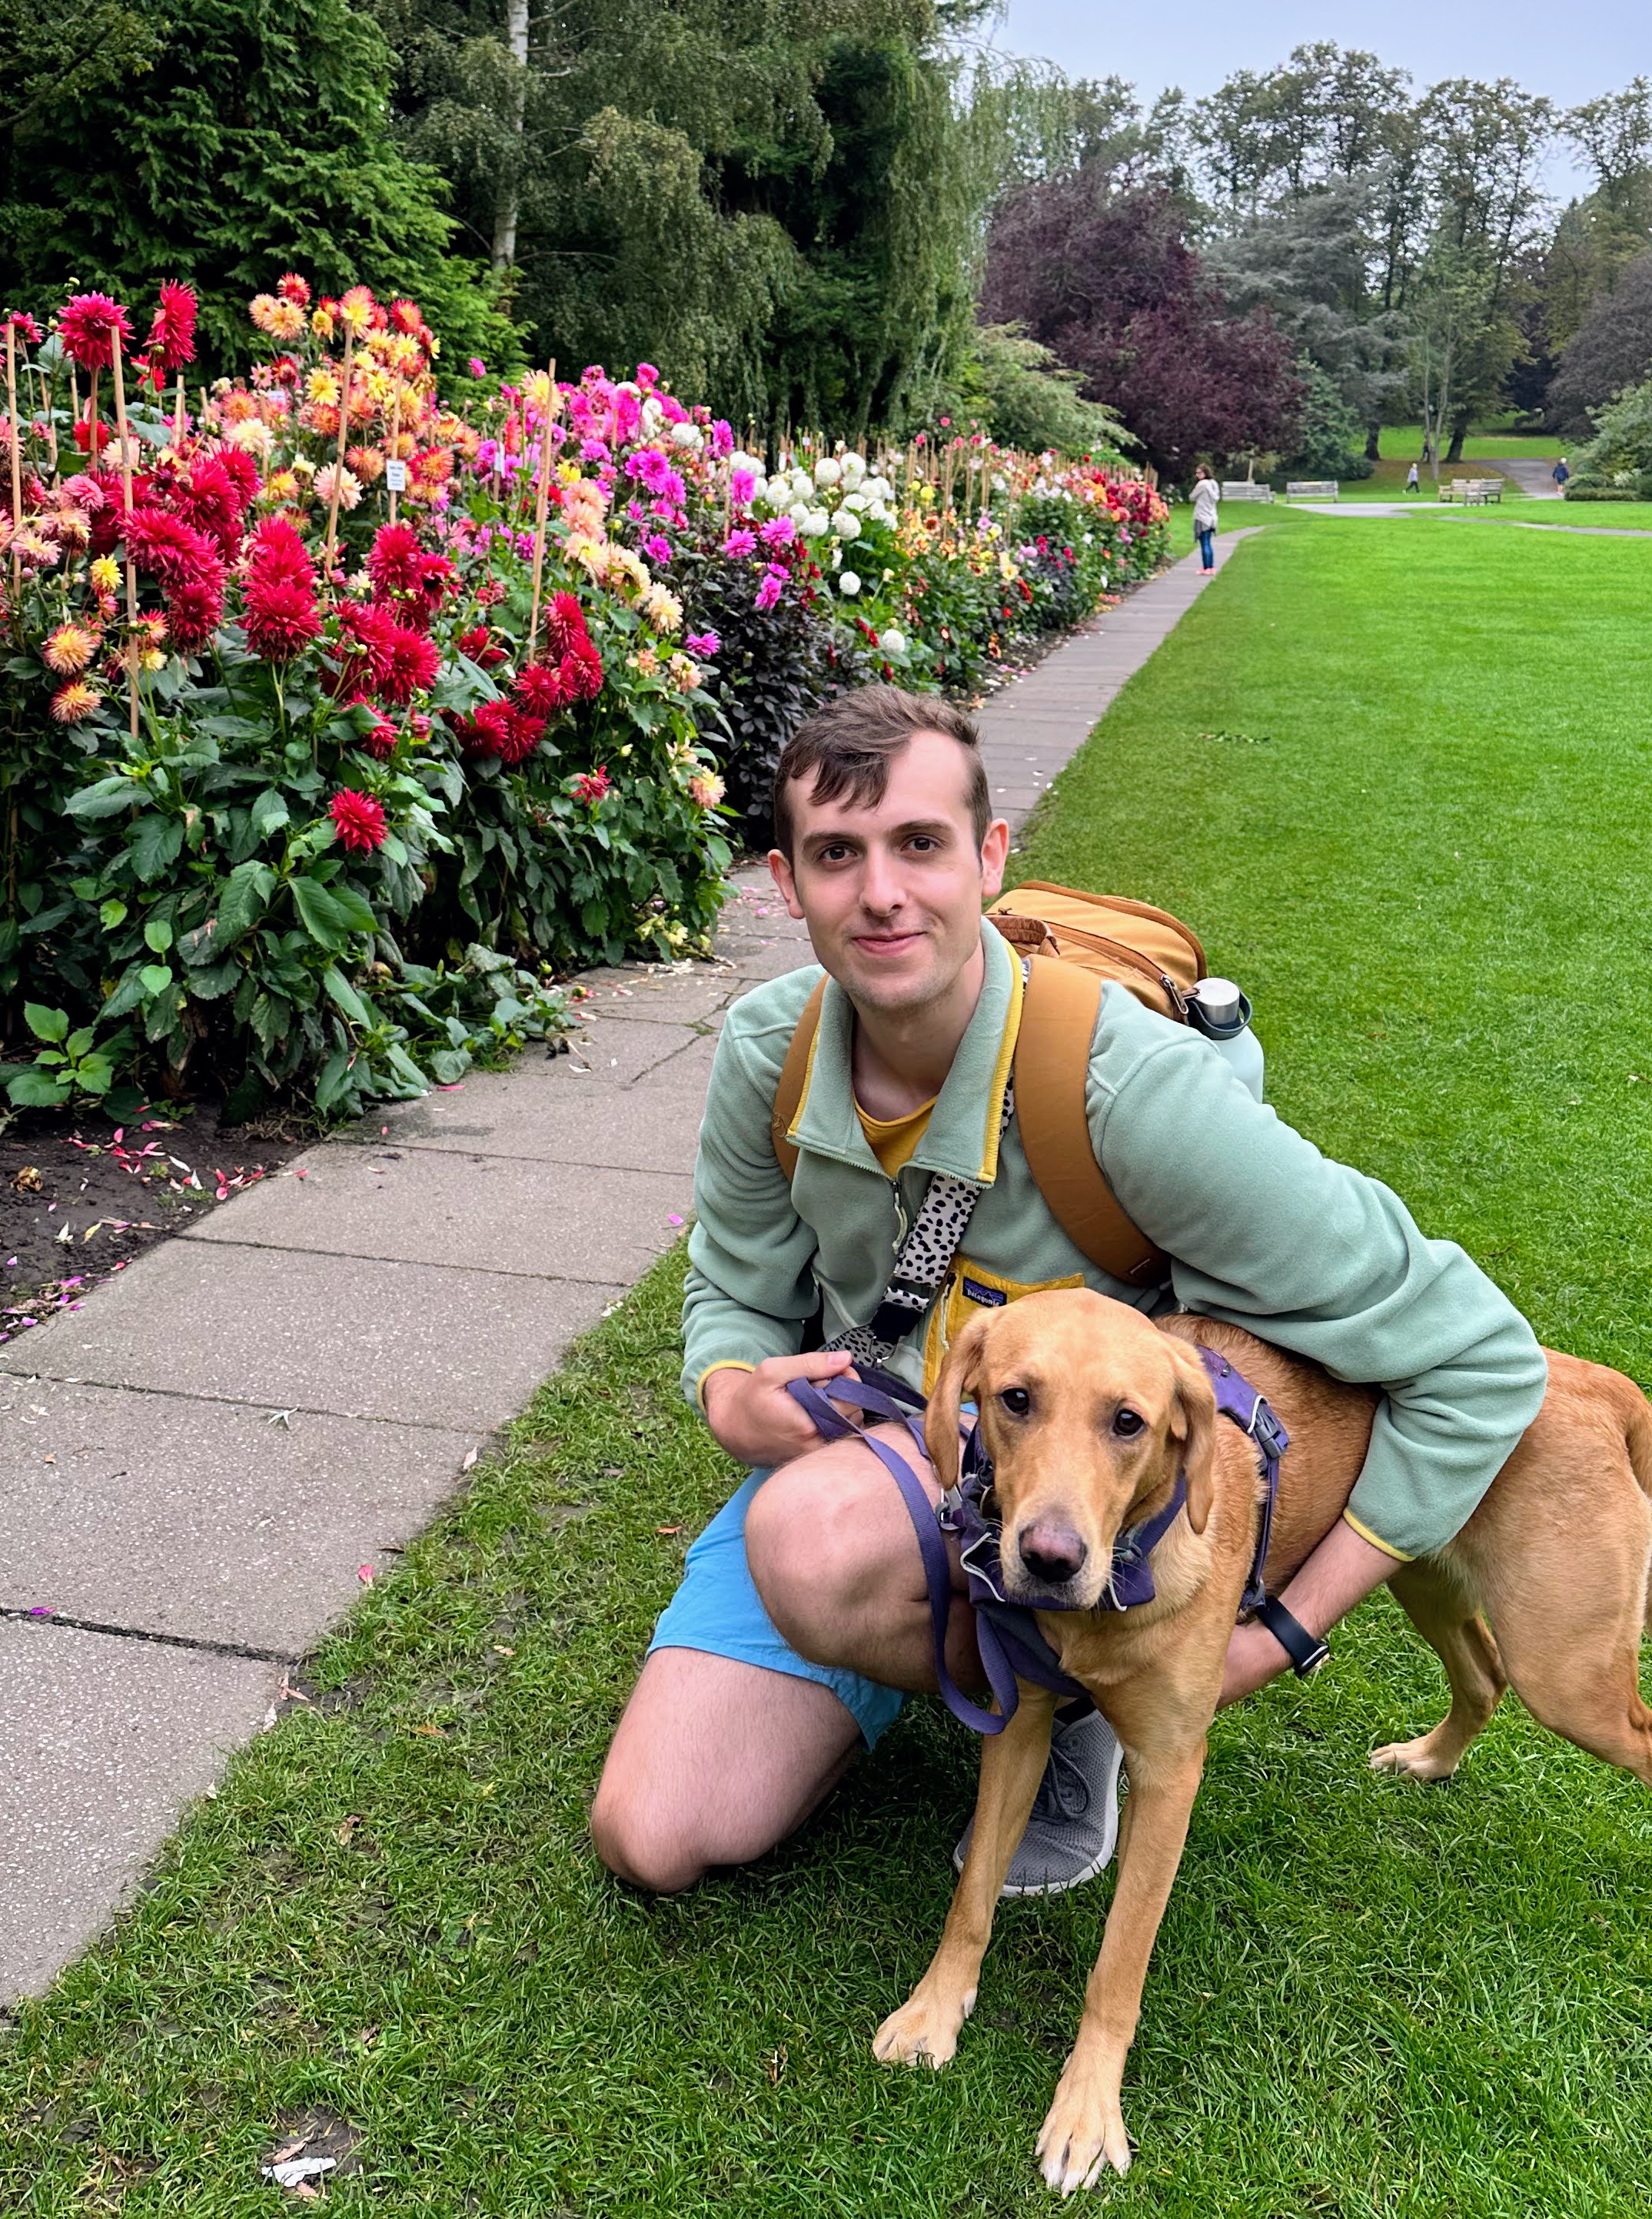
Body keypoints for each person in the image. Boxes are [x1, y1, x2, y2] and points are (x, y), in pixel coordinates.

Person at [591, 687, 1547, 1898]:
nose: (880, 891)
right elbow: (731, 1285)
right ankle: (961, 1644)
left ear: (989, 857)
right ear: (785, 882)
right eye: (837, 853)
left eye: (919, 844)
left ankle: (1073, 1699)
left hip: (1068, 1491)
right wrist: (730, 1390)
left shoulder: (1128, 1089)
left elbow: (1483, 1356)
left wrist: (1288, 1626)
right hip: (885, 1455)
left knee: (810, 1537)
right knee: (655, 1829)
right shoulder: (766, 1047)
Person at [1189, 461, 1220, 572]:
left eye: (1199, 473)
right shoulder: (1214, 484)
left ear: (1205, 473)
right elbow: (1216, 498)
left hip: (1202, 516)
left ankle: (1206, 568)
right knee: (1208, 542)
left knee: (1204, 543)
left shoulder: (1202, 484)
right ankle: (1211, 567)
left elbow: (1192, 497)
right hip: (1212, 517)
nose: (1197, 475)